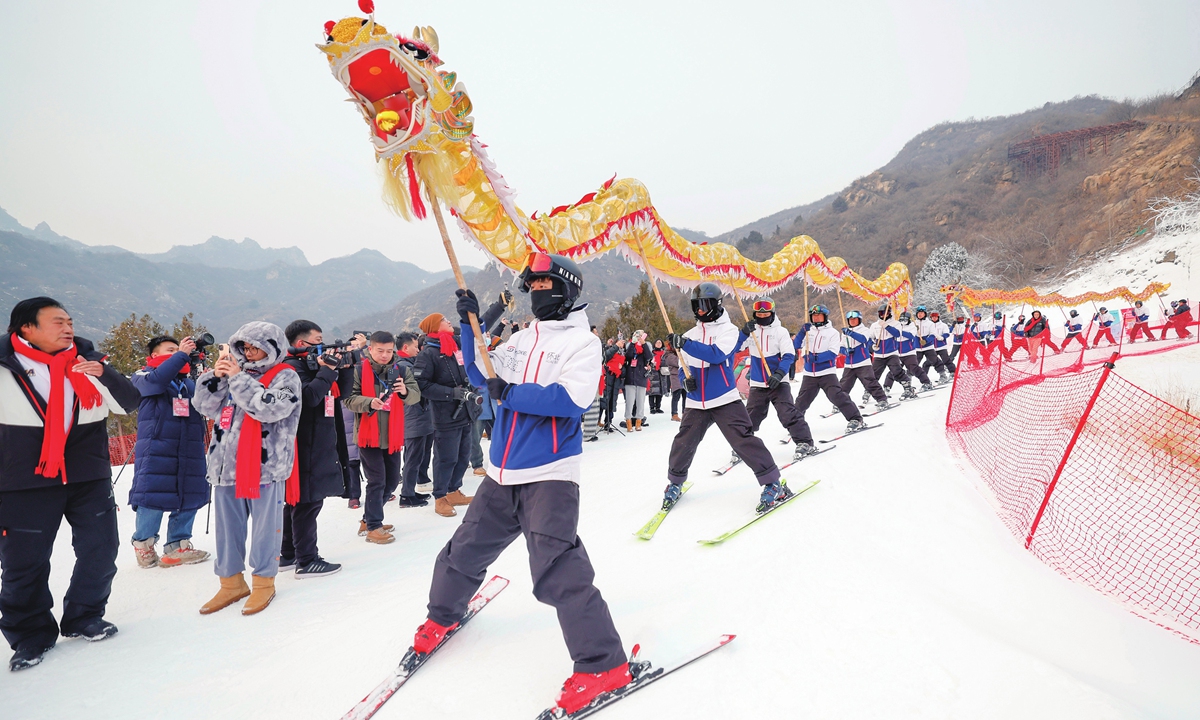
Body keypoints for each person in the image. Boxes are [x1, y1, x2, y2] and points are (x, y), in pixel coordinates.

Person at [415, 254, 631, 715]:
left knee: (558, 568)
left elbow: (571, 399)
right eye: (530, 285)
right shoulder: (525, 335)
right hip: (501, 470)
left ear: (566, 290)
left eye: (544, 284)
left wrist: (510, 393)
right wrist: (475, 321)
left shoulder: (582, 342)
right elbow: (481, 371)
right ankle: (442, 616)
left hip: (550, 472)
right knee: (465, 549)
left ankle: (602, 664)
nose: (536, 292)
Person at [0, 297, 139, 671]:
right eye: (58, 321)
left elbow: (128, 403)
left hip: (87, 476)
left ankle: (84, 616)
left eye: (70, 321)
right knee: (23, 564)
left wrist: (102, 374)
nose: (68, 328)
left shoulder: (87, 363)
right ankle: (30, 635)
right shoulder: (4, 367)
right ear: (26, 328)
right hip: (22, 482)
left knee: (101, 549)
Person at [193, 322, 302, 617]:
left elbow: (267, 409)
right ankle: (230, 584)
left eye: (256, 347)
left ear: (273, 347)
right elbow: (204, 406)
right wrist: (213, 378)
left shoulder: (286, 376)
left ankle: (264, 582)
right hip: (226, 466)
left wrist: (239, 379)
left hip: (265, 467)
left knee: (266, 529)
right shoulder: (233, 373)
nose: (250, 353)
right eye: (245, 347)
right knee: (227, 531)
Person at [663, 284, 787, 514]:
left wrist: (686, 344)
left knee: (743, 440)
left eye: (705, 306)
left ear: (717, 305)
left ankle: (772, 482)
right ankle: (675, 482)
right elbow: (684, 364)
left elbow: (718, 355)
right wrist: (684, 378)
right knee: (683, 442)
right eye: (696, 306)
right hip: (696, 402)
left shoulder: (728, 331)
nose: (700, 311)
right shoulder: (689, 335)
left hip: (724, 398)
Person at [128, 335, 211, 569]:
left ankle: (178, 545)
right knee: (152, 494)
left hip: (190, 446)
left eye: (180, 349)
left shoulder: (188, 382)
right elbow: (156, 382)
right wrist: (181, 355)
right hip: (158, 446)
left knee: (191, 492)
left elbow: (207, 404)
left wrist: (210, 379)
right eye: (171, 349)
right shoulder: (142, 375)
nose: (179, 353)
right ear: (154, 355)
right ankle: (143, 544)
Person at [280, 320, 352, 577]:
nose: (323, 345)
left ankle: (287, 553)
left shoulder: (314, 365)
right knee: (307, 502)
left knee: (301, 502)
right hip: (305, 443)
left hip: (321, 439)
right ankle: (307, 559)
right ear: (301, 344)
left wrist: (344, 367)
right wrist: (325, 371)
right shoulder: (289, 368)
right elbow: (309, 397)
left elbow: (340, 393)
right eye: (318, 340)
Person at [345, 332, 421, 542]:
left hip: (392, 435)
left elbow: (415, 396)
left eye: (389, 351)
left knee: (391, 482)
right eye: (380, 351)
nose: (385, 355)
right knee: (377, 481)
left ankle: (368, 519)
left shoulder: (402, 369)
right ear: (370, 349)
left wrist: (405, 391)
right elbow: (349, 399)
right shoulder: (359, 370)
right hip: (368, 436)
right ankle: (374, 527)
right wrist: (368, 402)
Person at [414, 312, 477, 517]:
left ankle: (454, 490)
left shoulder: (454, 345)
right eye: (443, 320)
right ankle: (440, 496)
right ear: (434, 326)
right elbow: (421, 385)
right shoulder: (428, 354)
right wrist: (451, 393)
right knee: (445, 457)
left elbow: (476, 331)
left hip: (464, 411)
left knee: (463, 455)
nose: (449, 321)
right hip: (445, 414)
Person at [737, 298, 807, 456]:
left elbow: (789, 355)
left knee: (787, 413)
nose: (762, 316)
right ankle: (743, 446)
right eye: (759, 314)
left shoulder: (780, 331)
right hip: (757, 383)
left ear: (772, 313)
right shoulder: (752, 331)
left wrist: (780, 373)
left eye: (766, 313)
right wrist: (743, 333)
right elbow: (735, 348)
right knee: (751, 417)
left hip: (777, 382)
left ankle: (804, 442)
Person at [793, 304, 865, 441]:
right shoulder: (808, 332)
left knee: (837, 396)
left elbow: (833, 353)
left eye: (819, 315)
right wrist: (802, 332)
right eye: (814, 316)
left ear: (825, 316)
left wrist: (815, 358)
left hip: (827, 373)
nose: (816, 318)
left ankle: (856, 419)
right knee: (801, 401)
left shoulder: (832, 332)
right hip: (809, 374)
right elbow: (795, 346)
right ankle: (795, 424)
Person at [393, 332, 433, 507]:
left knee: (416, 456)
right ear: (405, 348)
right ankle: (406, 495)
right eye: (415, 347)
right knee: (413, 457)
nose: (418, 350)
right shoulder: (405, 366)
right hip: (414, 416)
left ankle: (409, 491)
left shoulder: (407, 364)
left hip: (418, 415)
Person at [839, 310, 889, 410]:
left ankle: (882, 400)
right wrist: (846, 351)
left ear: (859, 320)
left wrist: (850, 333)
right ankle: (840, 403)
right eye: (850, 319)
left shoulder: (864, 330)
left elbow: (863, 339)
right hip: (849, 364)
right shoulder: (844, 333)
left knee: (870, 382)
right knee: (844, 385)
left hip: (863, 362)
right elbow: (841, 346)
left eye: (854, 319)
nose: (852, 321)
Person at [893, 310, 934, 393]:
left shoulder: (913, 326)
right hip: (898, 352)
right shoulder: (897, 326)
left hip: (909, 351)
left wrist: (927, 340)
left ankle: (927, 382)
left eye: (905, 320)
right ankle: (887, 387)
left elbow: (910, 335)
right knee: (894, 370)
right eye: (901, 320)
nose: (903, 322)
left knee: (915, 368)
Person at [622, 331, 652, 431]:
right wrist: (633, 343)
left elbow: (649, 356)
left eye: (640, 335)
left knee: (640, 401)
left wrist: (643, 344)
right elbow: (628, 355)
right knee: (629, 402)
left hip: (641, 377)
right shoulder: (630, 346)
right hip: (630, 378)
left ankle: (639, 420)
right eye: (636, 335)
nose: (638, 337)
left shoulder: (646, 346)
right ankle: (628, 421)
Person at [913, 306, 948, 383]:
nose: (920, 314)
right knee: (914, 364)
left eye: (922, 313)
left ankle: (943, 375)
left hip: (928, 347)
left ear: (925, 314)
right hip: (917, 348)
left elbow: (933, 335)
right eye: (919, 313)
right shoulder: (914, 323)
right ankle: (911, 380)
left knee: (935, 361)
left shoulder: (930, 324)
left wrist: (926, 341)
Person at [600, 339, 624, 431]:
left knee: (612, 403)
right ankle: (597, 421)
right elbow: (606, 356)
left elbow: (624, 372)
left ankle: (608, 422)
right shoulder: (610, 351)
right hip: (607, 379)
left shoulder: (622, 355)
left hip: (615, 381)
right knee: (603, 402)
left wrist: (621, 369)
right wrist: (615, 346)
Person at [661, 340, 684, 421]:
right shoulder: (669, 355)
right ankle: (674, 414)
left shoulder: (678, 353)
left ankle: (685, 413)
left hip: (683, 375)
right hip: (675, 377)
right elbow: (678, 362)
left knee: (685, 396)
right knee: (676, 396)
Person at [647, 339, 667, 414]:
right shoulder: (651, 353)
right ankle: (652, 407)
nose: (658, 344)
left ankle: (658, 407)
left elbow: (667, 362)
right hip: (653, 374)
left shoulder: (664, 354)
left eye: (660, 342)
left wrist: (661, 363)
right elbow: (647, 362)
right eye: (657, 342)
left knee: (660, 391)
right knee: (652, 391)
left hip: (661, 374)